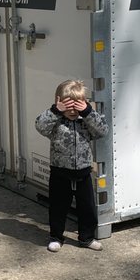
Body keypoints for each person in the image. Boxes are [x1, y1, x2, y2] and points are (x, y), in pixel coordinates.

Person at [35, 79, 109, 253]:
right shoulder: (56, 122)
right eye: (68, 106)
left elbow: (103, 130)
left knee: (87, 208)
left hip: (83, 173)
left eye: (77, 106)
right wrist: (55, 111)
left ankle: (86, 238)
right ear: (59, 103)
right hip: (60, 173)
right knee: (58, 208)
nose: (73, 111)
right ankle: (56, 237)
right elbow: (40, 126)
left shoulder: (86, 121)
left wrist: (88, 111)